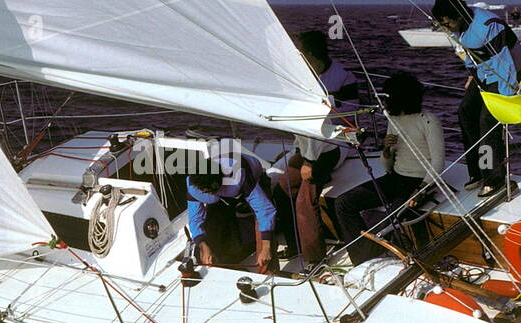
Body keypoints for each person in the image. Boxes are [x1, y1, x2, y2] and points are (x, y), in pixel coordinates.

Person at [334, 72, 445, 264]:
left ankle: (361, 261)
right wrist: (386, 149)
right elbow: (387, 166)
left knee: (385, 224)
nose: (384, 103)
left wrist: (421, 189)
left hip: (419, 182)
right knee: (343, 203)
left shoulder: (428, 120)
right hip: (396, 178)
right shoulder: (394, 121)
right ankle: (360, 257)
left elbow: (438, 161)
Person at [276, 30, 359, 263]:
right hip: (307, 146)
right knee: (281, 189)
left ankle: (315, 258)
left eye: (299, 54)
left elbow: (346, 119)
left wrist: (310, 160)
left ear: (310, 55)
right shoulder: (300, 80)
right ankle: (294, 245)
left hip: (335, 144)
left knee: (305, 200)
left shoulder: (343, 77)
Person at [430, 0, 521, 197]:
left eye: (447, 24)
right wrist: (472, 75)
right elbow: (471, 54)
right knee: (465, 112)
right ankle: (478, 171)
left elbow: (504, 63)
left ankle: (494, 179)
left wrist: (506, 96)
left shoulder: (487, 26)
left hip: (506, 72)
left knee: (487, 122)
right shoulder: (456, 26)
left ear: (459, 16)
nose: (446, 28)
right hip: (483, 71)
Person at [186, 148, 277, 275]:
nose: (209, 192)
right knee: (212, 221)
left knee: (262, 225)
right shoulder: (194, 184)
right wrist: (203, 245)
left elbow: (264, 210)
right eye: (206, 191)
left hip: (252, 177)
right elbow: (195, 218)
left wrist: (266, 247)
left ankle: (268, 269)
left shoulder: (238, 175)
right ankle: (223, 258)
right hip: (221, 192)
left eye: (211, 189)